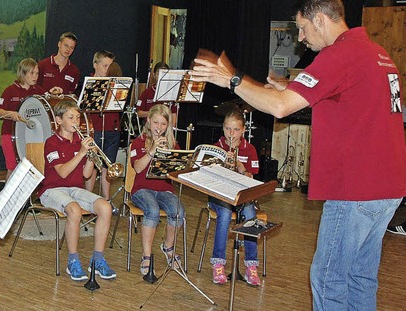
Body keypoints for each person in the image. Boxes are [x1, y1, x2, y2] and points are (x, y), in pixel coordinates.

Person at [191, 0, 406, 309]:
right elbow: (341, 96)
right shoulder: (376, 52)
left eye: (303, 28)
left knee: (328, 278)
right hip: (387, 188)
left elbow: (280, 106)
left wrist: (232, 80)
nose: (302, 38)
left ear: (320, 19)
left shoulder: (339, 55)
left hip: (356, 190)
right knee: (360, 277)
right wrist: (286, 86)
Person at [37, 100, 116, 281]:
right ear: (58, 120)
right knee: (74, 209)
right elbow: (63, 173)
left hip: (74, 188)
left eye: (78, 118)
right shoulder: (51, 143)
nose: (76, 122)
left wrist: (91, 156)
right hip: (51, 190)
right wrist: (81, 152)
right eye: (71, 118)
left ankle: (97, 259)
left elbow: (86, 175)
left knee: (105, 207)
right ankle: (73, 261)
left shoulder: (79, 142)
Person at [128, 104, 185, 275]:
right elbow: (137, 168)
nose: (159, 128)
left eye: (163, 124)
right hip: (141, 189)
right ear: (148, 122)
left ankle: (168, 247)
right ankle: (146, 256)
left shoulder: (174, 145)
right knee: (151, 210)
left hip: (164, 189)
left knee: (178, 211)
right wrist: (152, 151)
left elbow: (177, 175)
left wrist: (174, 160)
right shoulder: (138, 143)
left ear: (168, 126)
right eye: (156, 123)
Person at [207, 109, 261, 286]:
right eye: (228, 129)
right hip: (219, 196)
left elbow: (252, 179)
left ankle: (251, 266)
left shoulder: (250, 149)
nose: (231, 134)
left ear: (243, 130)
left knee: (250, 215)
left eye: (236, 130)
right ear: (223, 129)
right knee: (223, 214)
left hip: (241, 195)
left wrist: (240, 167)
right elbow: (208, 177)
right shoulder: (216, 148)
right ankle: (218, 262)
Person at [0, 58, 45, 180]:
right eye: (32, 73)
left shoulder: (39, 92)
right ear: (23, 73)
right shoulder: (10, 90)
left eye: (37, 73)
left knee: (32, 168)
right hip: (9, 135)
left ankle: (27, 198)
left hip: (31, 136)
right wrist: (9, 113)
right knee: (12, 168)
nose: (35, 76)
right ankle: (9, 198)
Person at [84, 50, 120, 200]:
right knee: (92, 165)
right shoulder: (89, 83)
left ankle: (106, 199)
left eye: (110, 66)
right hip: (95, 129)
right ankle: (88, 198)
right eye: (105, 66)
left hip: (112, 128)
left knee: (108, 165)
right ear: (95, 65)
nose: (108, 69)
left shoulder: (116, 83)